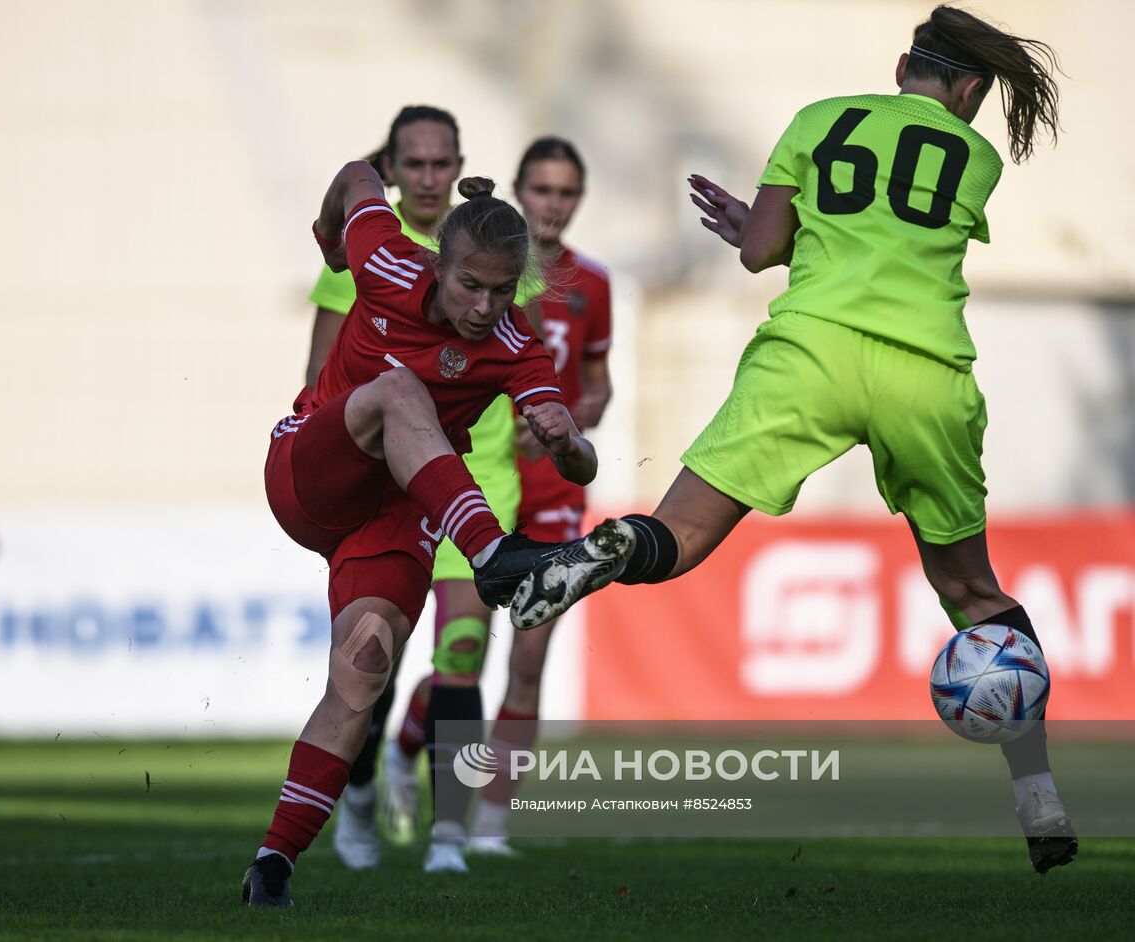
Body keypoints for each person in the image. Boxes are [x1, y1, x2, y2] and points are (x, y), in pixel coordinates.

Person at [512, 5, 1073, 874]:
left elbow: (762, 248)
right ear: (967, 89)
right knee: (973, 589)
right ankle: (1038, 798)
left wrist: (762, 230)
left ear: (900, 66)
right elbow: (896, 233)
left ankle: (618, 545)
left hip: (808, 349)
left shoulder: (818, 121)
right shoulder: (978, 156)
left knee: (681, 536)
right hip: (924, 373)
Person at [242, 161, 630, 907]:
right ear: (438, 264)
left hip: (398, 514)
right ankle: (493, 554)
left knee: (364, 669)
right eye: (470, 287)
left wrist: (568, 441)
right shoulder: (386, 258)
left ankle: (273, 862)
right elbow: (358, 178)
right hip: (311, 472)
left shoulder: (518, 343)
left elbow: (579, 464)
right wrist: (329, 237)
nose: (486, 307)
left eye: (501, 289)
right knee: (396, 390)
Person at [302, 106, 527, 874]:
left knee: (462, 653)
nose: (429, 177)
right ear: (393, 170)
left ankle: (449, 838)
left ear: (459, 163)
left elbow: (540, 372)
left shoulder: (493, 251)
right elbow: (323, 386)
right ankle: (361, 792)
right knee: (375, 665)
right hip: (385, 489)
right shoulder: (375, 260)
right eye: (415, 164)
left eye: (442, 163)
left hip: (477, 483)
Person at [387, 137, 614, 863]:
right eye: (542, 190)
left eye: (567, 192)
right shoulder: (482, 272)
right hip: (481, 476)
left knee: (529, 661)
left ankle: (488, 824)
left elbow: (599, 378)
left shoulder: (592, 283)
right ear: (518, 192)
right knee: (464, 650)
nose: (554, 204)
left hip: (552, 486)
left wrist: (572, 418)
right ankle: (411, 741)